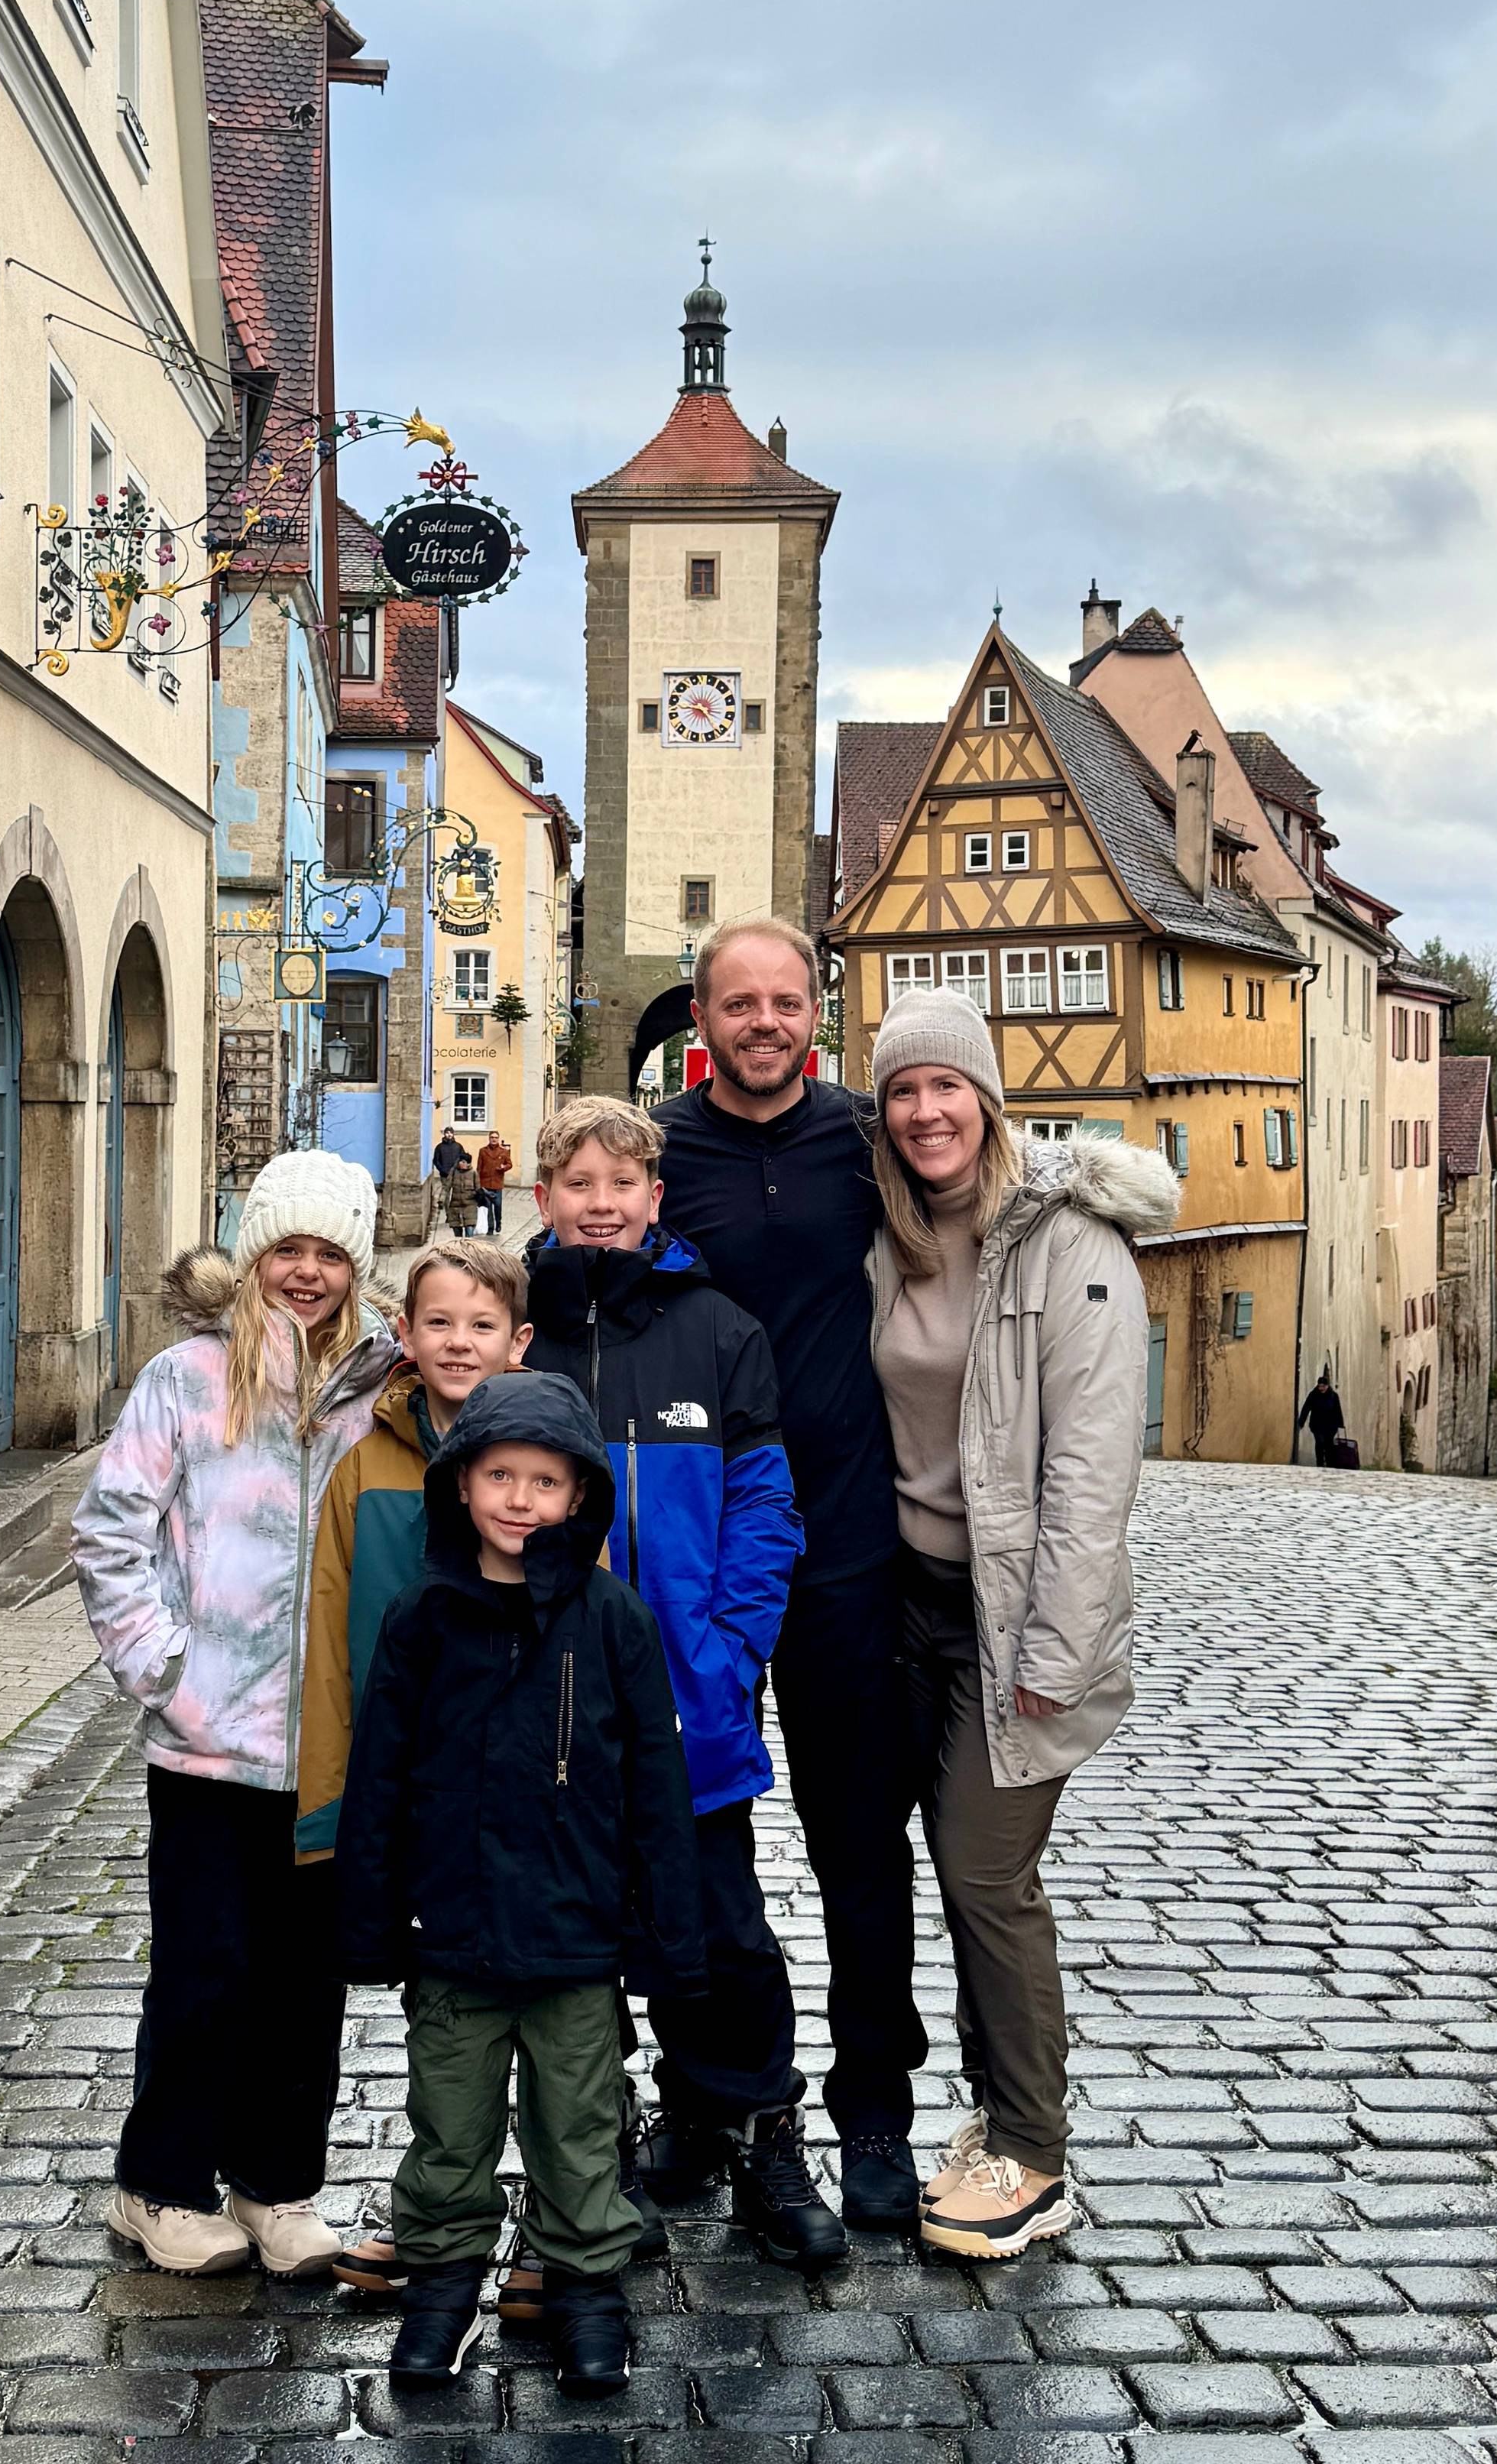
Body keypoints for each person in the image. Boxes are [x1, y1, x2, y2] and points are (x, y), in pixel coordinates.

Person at [867, 989, 1178, 2258]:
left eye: (948, 1085)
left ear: (988, 1097)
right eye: (902, 1088)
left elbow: (1092, 1477)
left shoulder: (1071, 1245)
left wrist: (1051, 1649)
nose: (927, 1109)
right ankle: (997, 2117)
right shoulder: (889, 1230)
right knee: (953, 1865)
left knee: (988, 1868)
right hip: (907, 1606)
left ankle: (1036, 2152)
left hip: (1019, 1618)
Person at [337, 1373, 705, 2399]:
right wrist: (371, 1918)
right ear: (461, 1486)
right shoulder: (424, 1620)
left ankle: (586, 2288)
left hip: (575, 1942)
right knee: (447, 2129)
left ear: (579, 1497)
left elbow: (655, 1788)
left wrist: (668, 1934)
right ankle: (444, 2288)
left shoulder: (614, 1619)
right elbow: (379, 1778)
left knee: (578, 2129)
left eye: (544, 1482)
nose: (518, 1499)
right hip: (453, 1937)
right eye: (499, 1474)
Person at [524, 1095, 844, 2268]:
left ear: (655, 1199)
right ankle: (598, 2150)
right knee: (573, 1939)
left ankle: (754, 2127)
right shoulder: (521, 1332)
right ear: (545, 1197)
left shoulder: (718, 1331)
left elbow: (766, 1505)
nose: (600, 1205)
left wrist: (731, 1644)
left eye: (622, 1185)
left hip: (689, 1702)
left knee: (718, 1933)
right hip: (549, 1713)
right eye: (578, 1184)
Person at [71, 1150, 396, 2278]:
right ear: (254, 1258)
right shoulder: (186, 1379)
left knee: (307, 1975)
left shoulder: (377, 1388)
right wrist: (167, 1671)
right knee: (206, 1965)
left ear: (354, 1268)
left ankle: (276, 2184)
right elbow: (111, 1534)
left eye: (327, 1255)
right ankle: (156, 2185)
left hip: (328, 1743)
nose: (305, 1275)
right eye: (286, 1252)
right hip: (209, 1745)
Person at [653, 919, 925, 2229]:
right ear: (702, 1012)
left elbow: (994, 1211)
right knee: (695, 1831)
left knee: (857, 1839)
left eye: (786, 1000)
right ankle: (704, 2094)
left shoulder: (864, 1140)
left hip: (847, 1541)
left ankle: (874, 2104)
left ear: (816, 1011)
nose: (764, 1021)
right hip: (695, 1556)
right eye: (738, 1001)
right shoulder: (658, 1152)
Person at [296, 1238, 533, 2300]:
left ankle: (569, 2234)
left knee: (571, 2029)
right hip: (417, 1797)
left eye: (481, 1325)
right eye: (438, 1323)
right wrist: (328, 1811)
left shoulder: (546, 1461)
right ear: (406, 1334)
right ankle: (438, 2218)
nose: (457, 1344)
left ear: (517, 1343)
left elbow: (603, 1637)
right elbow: (330, 1644)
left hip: (534, 1804)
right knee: (445, 2027)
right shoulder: (367, 1467)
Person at [426, 1127, 471, 1236]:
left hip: (456, 1174)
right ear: (444, 1134)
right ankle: (449, 1215)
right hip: (445, 1175)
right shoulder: (439, 1147)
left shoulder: (458, 1146)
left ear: (453, 1134)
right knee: (446, 1196)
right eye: (447, 1133)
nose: (449, 1135)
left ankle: (455, 1214)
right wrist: (442, 1170)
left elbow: (463, 1158)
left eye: (451, 1133)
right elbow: (436, 1161)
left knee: (455, 1195)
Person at [1298, 1367, 1344, 1468]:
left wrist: (1340, 1423)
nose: (1321, 1388)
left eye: (1323, 1386)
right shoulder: (1313, 1395)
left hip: (1330, 1425)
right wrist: (1301, 1421)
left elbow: (1338, 1409)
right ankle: (1320, 1463)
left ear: (1327, 1386)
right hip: (1317, 1424)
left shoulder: (1333, 1396)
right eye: (1320, 1386)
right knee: (1319, 1442)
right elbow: (1306, 1407)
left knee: (1328, 1444)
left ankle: (1329, 1464)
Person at [476, 1131, 514, 1234]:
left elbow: (510, 1164)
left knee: (497, 1206)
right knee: (488, 1207)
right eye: (492, 1137)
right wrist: (478, 1182)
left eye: (496, 1138)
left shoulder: (503, 1152)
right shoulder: (483, 1151)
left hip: (497, 1183)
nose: (494, 1139)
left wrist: (503, 1167)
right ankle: (490, 1227)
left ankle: (498, 1223)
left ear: (498, 1139)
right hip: (486, 1182)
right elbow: (479, 1167)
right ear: (489, 1138)